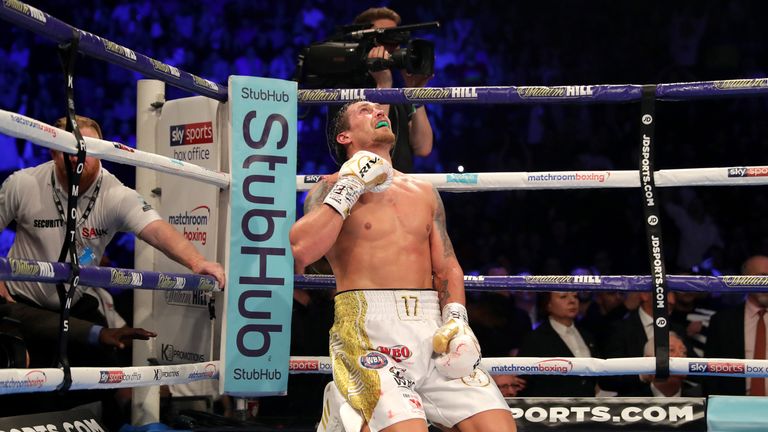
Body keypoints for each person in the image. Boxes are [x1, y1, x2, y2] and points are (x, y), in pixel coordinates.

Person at [290, 101, 515, 431]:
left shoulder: (423, 191)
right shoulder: (329, 187)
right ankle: (345, 403)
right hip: (368, 329)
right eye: (365, 111)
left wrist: (456, 321)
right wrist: (349, 187)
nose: (380, 112)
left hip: (431, 327)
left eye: (381, 109)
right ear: (344, 137)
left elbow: (448, 266)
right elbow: (301, 251)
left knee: (498, 428)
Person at [0, 115, 225, 326]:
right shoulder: (23, 184)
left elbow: (156, 229)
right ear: (53, 152)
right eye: (67, 147)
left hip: (75, 303)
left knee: (105, 358)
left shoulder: (115, 195)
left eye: (87, 148)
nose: (76, 156)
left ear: (101, 152)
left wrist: (197, 261)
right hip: (18, 300)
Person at [327, 7, 434, 173]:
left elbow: (423, 147)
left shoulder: (398, 89)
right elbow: (368, 146)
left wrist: (415, 92)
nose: (393, 48)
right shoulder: (346, 89)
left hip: (400, 186)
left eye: (396, 40)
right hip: (365, 185)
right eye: (386, 39)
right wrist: (383, 86)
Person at [705, 255, 768, 396]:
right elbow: (711, 374)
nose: (767, 282)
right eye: (762, 276)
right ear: (744, 280)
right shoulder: (722, 321)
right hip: (734, 407)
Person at [517, 292, 599, 397]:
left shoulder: (587, 335)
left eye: (575, 296)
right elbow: (524, 381)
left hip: (587, 406)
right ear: (548, 304)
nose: (572, 301)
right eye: (563, 297)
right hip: (552, 407)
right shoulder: (535, 339)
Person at [638, 332, 701, 397]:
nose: (681, 356)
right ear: (649, 360)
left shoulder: (700, 401)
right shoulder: (632, 401)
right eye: (671, 350)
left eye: (683, 352)